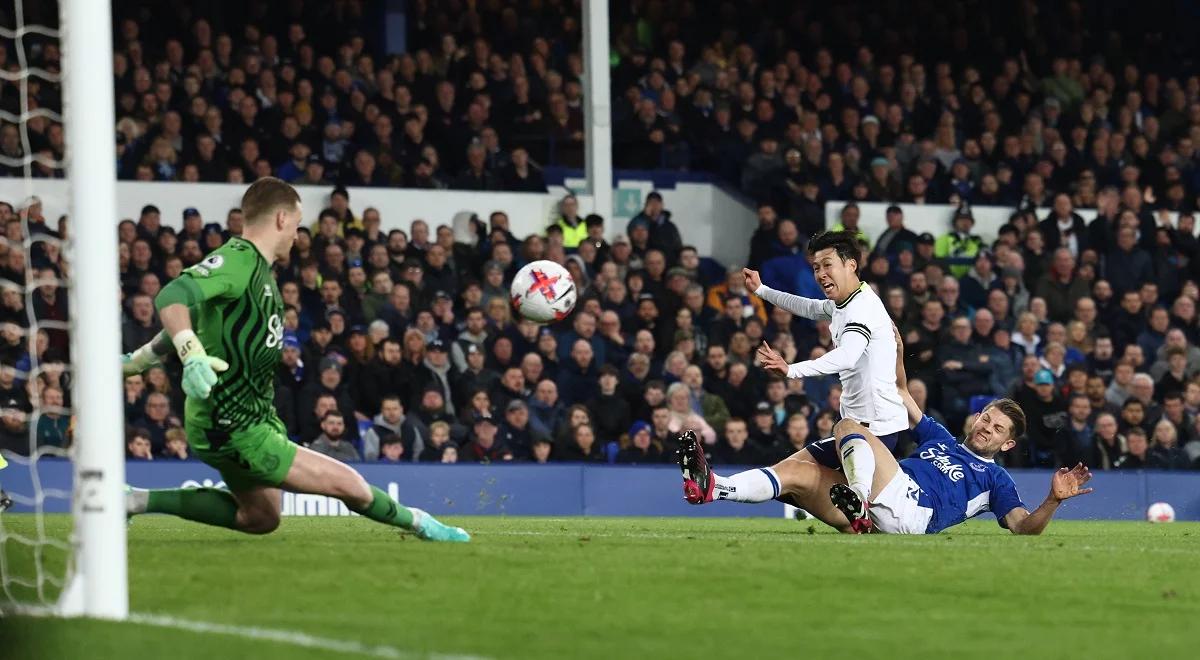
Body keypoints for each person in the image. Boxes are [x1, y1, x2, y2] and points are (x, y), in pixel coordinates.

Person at [120, 177, 468, 542]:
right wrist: (190, 353)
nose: (298, 235)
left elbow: (198, 314)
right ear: (282, 219)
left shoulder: (258, 270)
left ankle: (133, 500)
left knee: (261, 517)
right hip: (233, 424)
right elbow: (172, 296)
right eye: (298, 225)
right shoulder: (238, 261)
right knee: (351, 485)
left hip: (249, 416)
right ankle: (420, 523)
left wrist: (142, 359)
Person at [677, 325, 1095, 534]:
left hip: (914, 510)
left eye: (996, 427)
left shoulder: (995, 478)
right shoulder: (941, 438)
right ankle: (713, 488)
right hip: (879, 516)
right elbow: (900, 390)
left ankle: (855, 497)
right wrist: (896, 351)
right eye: (986, 416)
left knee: (847, 424)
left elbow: (1023, 526)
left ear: (1007, 442)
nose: (986, 426)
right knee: (798, 476)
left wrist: (1053, 501)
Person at [745, 230, 907, 477]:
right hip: (859, 426)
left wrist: (791, 369)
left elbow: (846, 356)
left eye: (827, 265)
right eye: (816, 267)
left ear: (851, 264)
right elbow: (810, 307)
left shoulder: (861, 309)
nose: (820, 274)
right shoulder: (847, 301)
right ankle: (718, 488)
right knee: (794, 472)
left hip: (874, 430)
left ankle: (719, 489)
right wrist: (762, 290)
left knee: (797, 474)